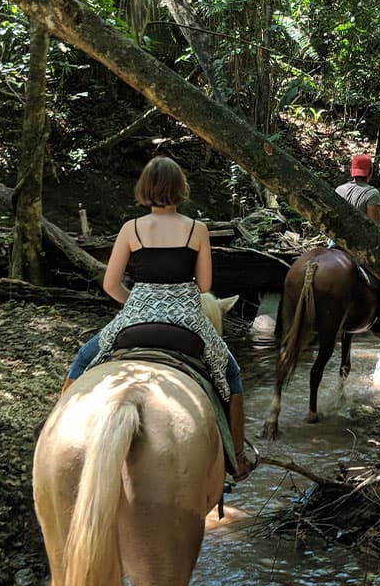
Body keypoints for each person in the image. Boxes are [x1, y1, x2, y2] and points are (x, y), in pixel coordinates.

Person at [61, 157, 247, 471]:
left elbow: (110, 283)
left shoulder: (131, 228)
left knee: (82, 358)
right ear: (180, 189)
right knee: (232, 374)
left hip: (136, 315)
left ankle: (55, 430)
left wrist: (135, 304)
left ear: (144, 189)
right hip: (187, 319)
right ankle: (238, 458)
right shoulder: (197, 230)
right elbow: (204, 286)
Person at [333, 153, 380, 335]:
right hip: (358, 248)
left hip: (335, 243)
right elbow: (374, 228)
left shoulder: (339, 190)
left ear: (352, 171)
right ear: (370, 173)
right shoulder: (372, 193)